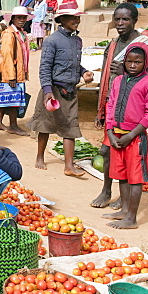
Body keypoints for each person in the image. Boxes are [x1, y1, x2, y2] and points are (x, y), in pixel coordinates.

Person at [92, 3, 148, 209]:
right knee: (106, 152)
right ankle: (106, 190)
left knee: (128, 157)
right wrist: (101, 109)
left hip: (133, 113)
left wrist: (125, 70)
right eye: (117, 19)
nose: (120, 24)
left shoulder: (144, 45)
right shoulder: (113, 44)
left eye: (125, 19)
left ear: (135, 21)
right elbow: (105, 78)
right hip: (113, 108)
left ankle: (125, 197)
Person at [102, 44, 148, 230]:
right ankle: (124, 210)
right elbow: (110, 105)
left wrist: (132, 135)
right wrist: (110, 132)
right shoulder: (118, 80)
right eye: (129, 61)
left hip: (135, 138)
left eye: (138, 62)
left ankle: (132, 218)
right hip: (117, 136)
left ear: (145, 63)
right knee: (122, 175)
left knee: (135, 178)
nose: (133, 65)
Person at [30, 10, 95, 175]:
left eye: (78, 17)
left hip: (71, 91)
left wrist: (83, 72)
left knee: (70, 127)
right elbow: (45, 67)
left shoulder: (77, 41)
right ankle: (39, 156)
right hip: (53, 91)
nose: (76, 20)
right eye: (72, 18)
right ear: (62, 19)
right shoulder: (52, 41)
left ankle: (69, 166)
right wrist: (47, 91)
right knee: (45, 125)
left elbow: (73, 64)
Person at [0, 6, 31, 136]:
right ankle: (13, 125)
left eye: (24, 18)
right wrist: (11, 76)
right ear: (13, 18)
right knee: (14, 101)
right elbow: (7, 55)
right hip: (12, 72)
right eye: (19, 17)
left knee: (7, 99)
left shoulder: (19, 32)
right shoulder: (10, 34)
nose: (21, 20)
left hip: (15, 71)